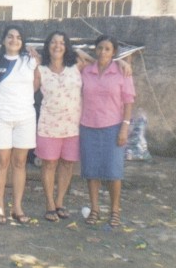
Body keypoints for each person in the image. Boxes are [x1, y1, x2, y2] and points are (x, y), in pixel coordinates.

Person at [80, 34, 135, 227]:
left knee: (113, 172)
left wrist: (124, 127)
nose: (103, 52)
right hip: (88, 126)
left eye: (107, 49)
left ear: (114, 52)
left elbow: (128, 101)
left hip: (113, 126)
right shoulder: (86, 71)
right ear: (95, 50)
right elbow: (75, 53)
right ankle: (94, 209)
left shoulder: (122, 72)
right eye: (100, 48)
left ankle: (115, 210)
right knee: (91, 171)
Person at [0, 25, 37, 225]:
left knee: (20, 163)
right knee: (0, 163)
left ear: (22, 41)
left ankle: (17, 207)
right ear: (4, 39)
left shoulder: (30, 60)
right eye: (10, 36)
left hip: (25, 117)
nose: (14, 40)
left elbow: (36, 84)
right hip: (0, 117)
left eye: (18, 37)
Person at [33, 31, 85, 222]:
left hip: (73, 126)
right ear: (48, 46)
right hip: (48, 125)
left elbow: (97, 62)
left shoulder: (76, 66)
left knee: (67, 164)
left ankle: (60, 201)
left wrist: (121, 62)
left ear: (67, 46)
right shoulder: (40, 69)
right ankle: (49, 204)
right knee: (49, 164)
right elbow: (28, 90)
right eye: (54, 42)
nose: (58, 46)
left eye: (62, 43)